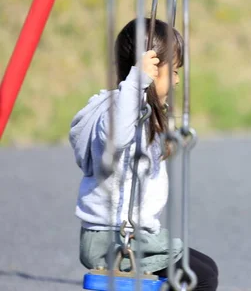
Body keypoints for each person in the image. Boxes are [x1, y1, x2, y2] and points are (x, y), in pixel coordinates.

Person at [69, 17, 218, 291]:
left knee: (205, 268)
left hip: (130, 236)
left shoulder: (141, 109)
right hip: (114, 239)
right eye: (172, 71)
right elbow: (116, 138)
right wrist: (137, 82)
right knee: (199, 276)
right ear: (148, 71)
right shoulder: (117, 109)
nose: (175, 81)